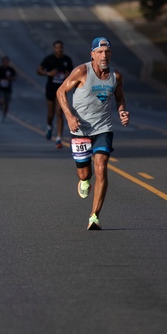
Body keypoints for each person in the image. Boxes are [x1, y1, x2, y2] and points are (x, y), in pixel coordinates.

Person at [56, 36, 130, 230]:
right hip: (80, 129)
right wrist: (70, 117)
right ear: (92, 54)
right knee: (85, 173)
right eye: (99, 52)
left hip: (103, 128)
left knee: (101, 166)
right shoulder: (82, 71)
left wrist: (122, 110)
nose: (104, 55)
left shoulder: (116, 76)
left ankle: (94, 216)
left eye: (107, 52)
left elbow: (120, 96)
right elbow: (60, 91)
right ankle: (84, 180)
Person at [37, 40, 74, 148]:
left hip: (62, 90)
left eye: (61, 47)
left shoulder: (67, 60)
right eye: (57, 48)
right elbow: (38, 70)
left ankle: (58, 138)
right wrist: (48, 73)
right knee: (51, 114)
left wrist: (68, 75)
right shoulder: (49, 59)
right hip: (51, 89)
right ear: (54, 48)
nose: (59, 49)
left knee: (59, 113)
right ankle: (49, 126)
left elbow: (73, 73)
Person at [0, 56, 17, 121]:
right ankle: (0, 104)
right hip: (1, 87)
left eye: (6, 62)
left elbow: (15, 78)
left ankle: (4, 113)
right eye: (4, 62)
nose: (5, 63)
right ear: (2, 62)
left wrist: (10, 78)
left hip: (8, 88)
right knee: (1, 98)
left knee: (7, 102)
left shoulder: (11, 69)